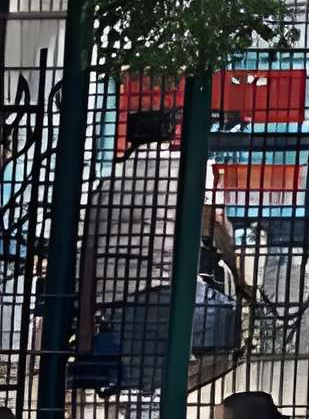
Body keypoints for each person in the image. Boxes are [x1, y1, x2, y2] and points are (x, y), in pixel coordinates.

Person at [79, 104, 239, 389]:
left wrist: (87, 319)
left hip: (118, 300)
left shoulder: (106, 183)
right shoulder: (189, 168)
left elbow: (88, 255)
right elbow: (214, 221)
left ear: (131, 139)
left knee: (144, 384)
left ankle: (158, 393)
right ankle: (178, 383)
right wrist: (236, 269)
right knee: (234, 323)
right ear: (169, 135)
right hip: (170, 292)